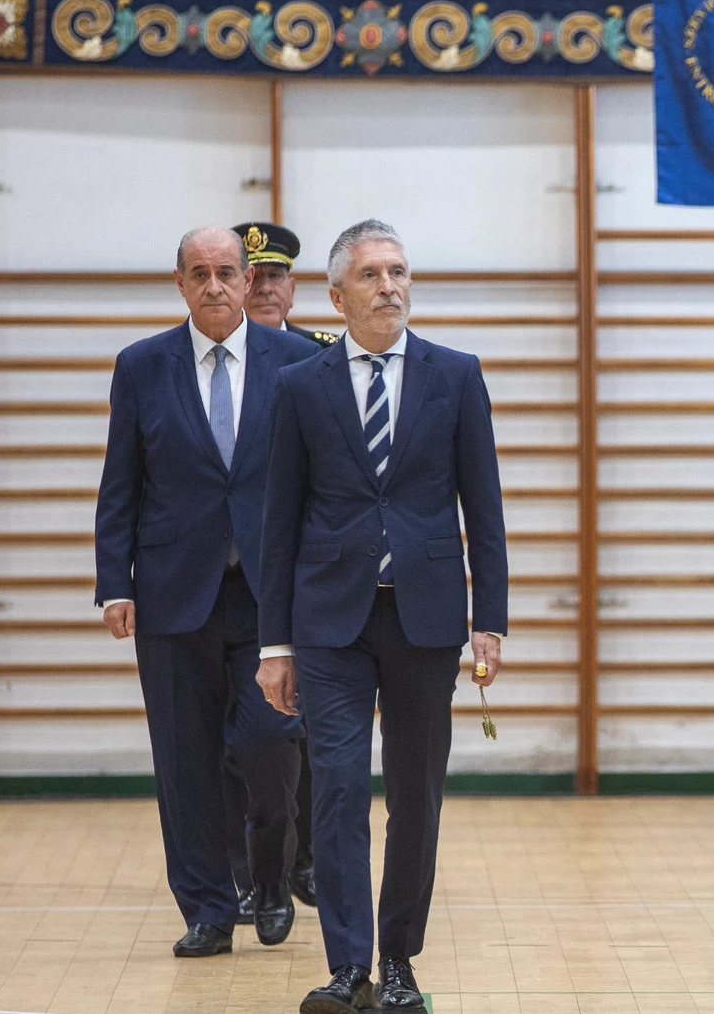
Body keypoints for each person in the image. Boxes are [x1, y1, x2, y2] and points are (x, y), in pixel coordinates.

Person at [256, 219, 508, 1013]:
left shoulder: (456, 375)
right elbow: (278, 520)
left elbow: (485, 508)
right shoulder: (302, 385)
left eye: (398, 270)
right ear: (336, 294)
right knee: (334, 791)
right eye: (370, 274)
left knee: (414, 796)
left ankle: (397, 958)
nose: (389, 285)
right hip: (329, 623)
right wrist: (274, 642)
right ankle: (347, 965)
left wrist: (490, 620)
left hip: (426, 622)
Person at [93, 226, 321, 956]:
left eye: (228, 271)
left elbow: (322, 483)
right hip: (171, 590)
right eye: (201, 273)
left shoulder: (297, 360)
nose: (216, 285)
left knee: (269, 741)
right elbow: (120, 481)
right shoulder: (141, 365)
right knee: (183, 757)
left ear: (249, 279)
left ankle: (274, 878)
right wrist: (112, 582)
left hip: (269, 594)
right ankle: (207, 910)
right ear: (180, 281)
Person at [225, 219, 322, 918]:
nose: (263, 287)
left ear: (293, 288)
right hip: (227, 576)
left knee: (309, 728)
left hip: (305, 575)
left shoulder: (321, 359)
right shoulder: (210, 362)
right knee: (239, 735)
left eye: (275, 276)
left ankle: (306, 859)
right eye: (251, 274)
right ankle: (246, 864)